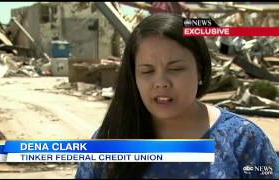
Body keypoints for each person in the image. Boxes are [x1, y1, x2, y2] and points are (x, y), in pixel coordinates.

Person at [75, 13, 279, 179]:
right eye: (147, 71)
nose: (161, 82)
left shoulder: (243, 140)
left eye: (176, 68)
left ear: (199, 71)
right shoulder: (111, 140)